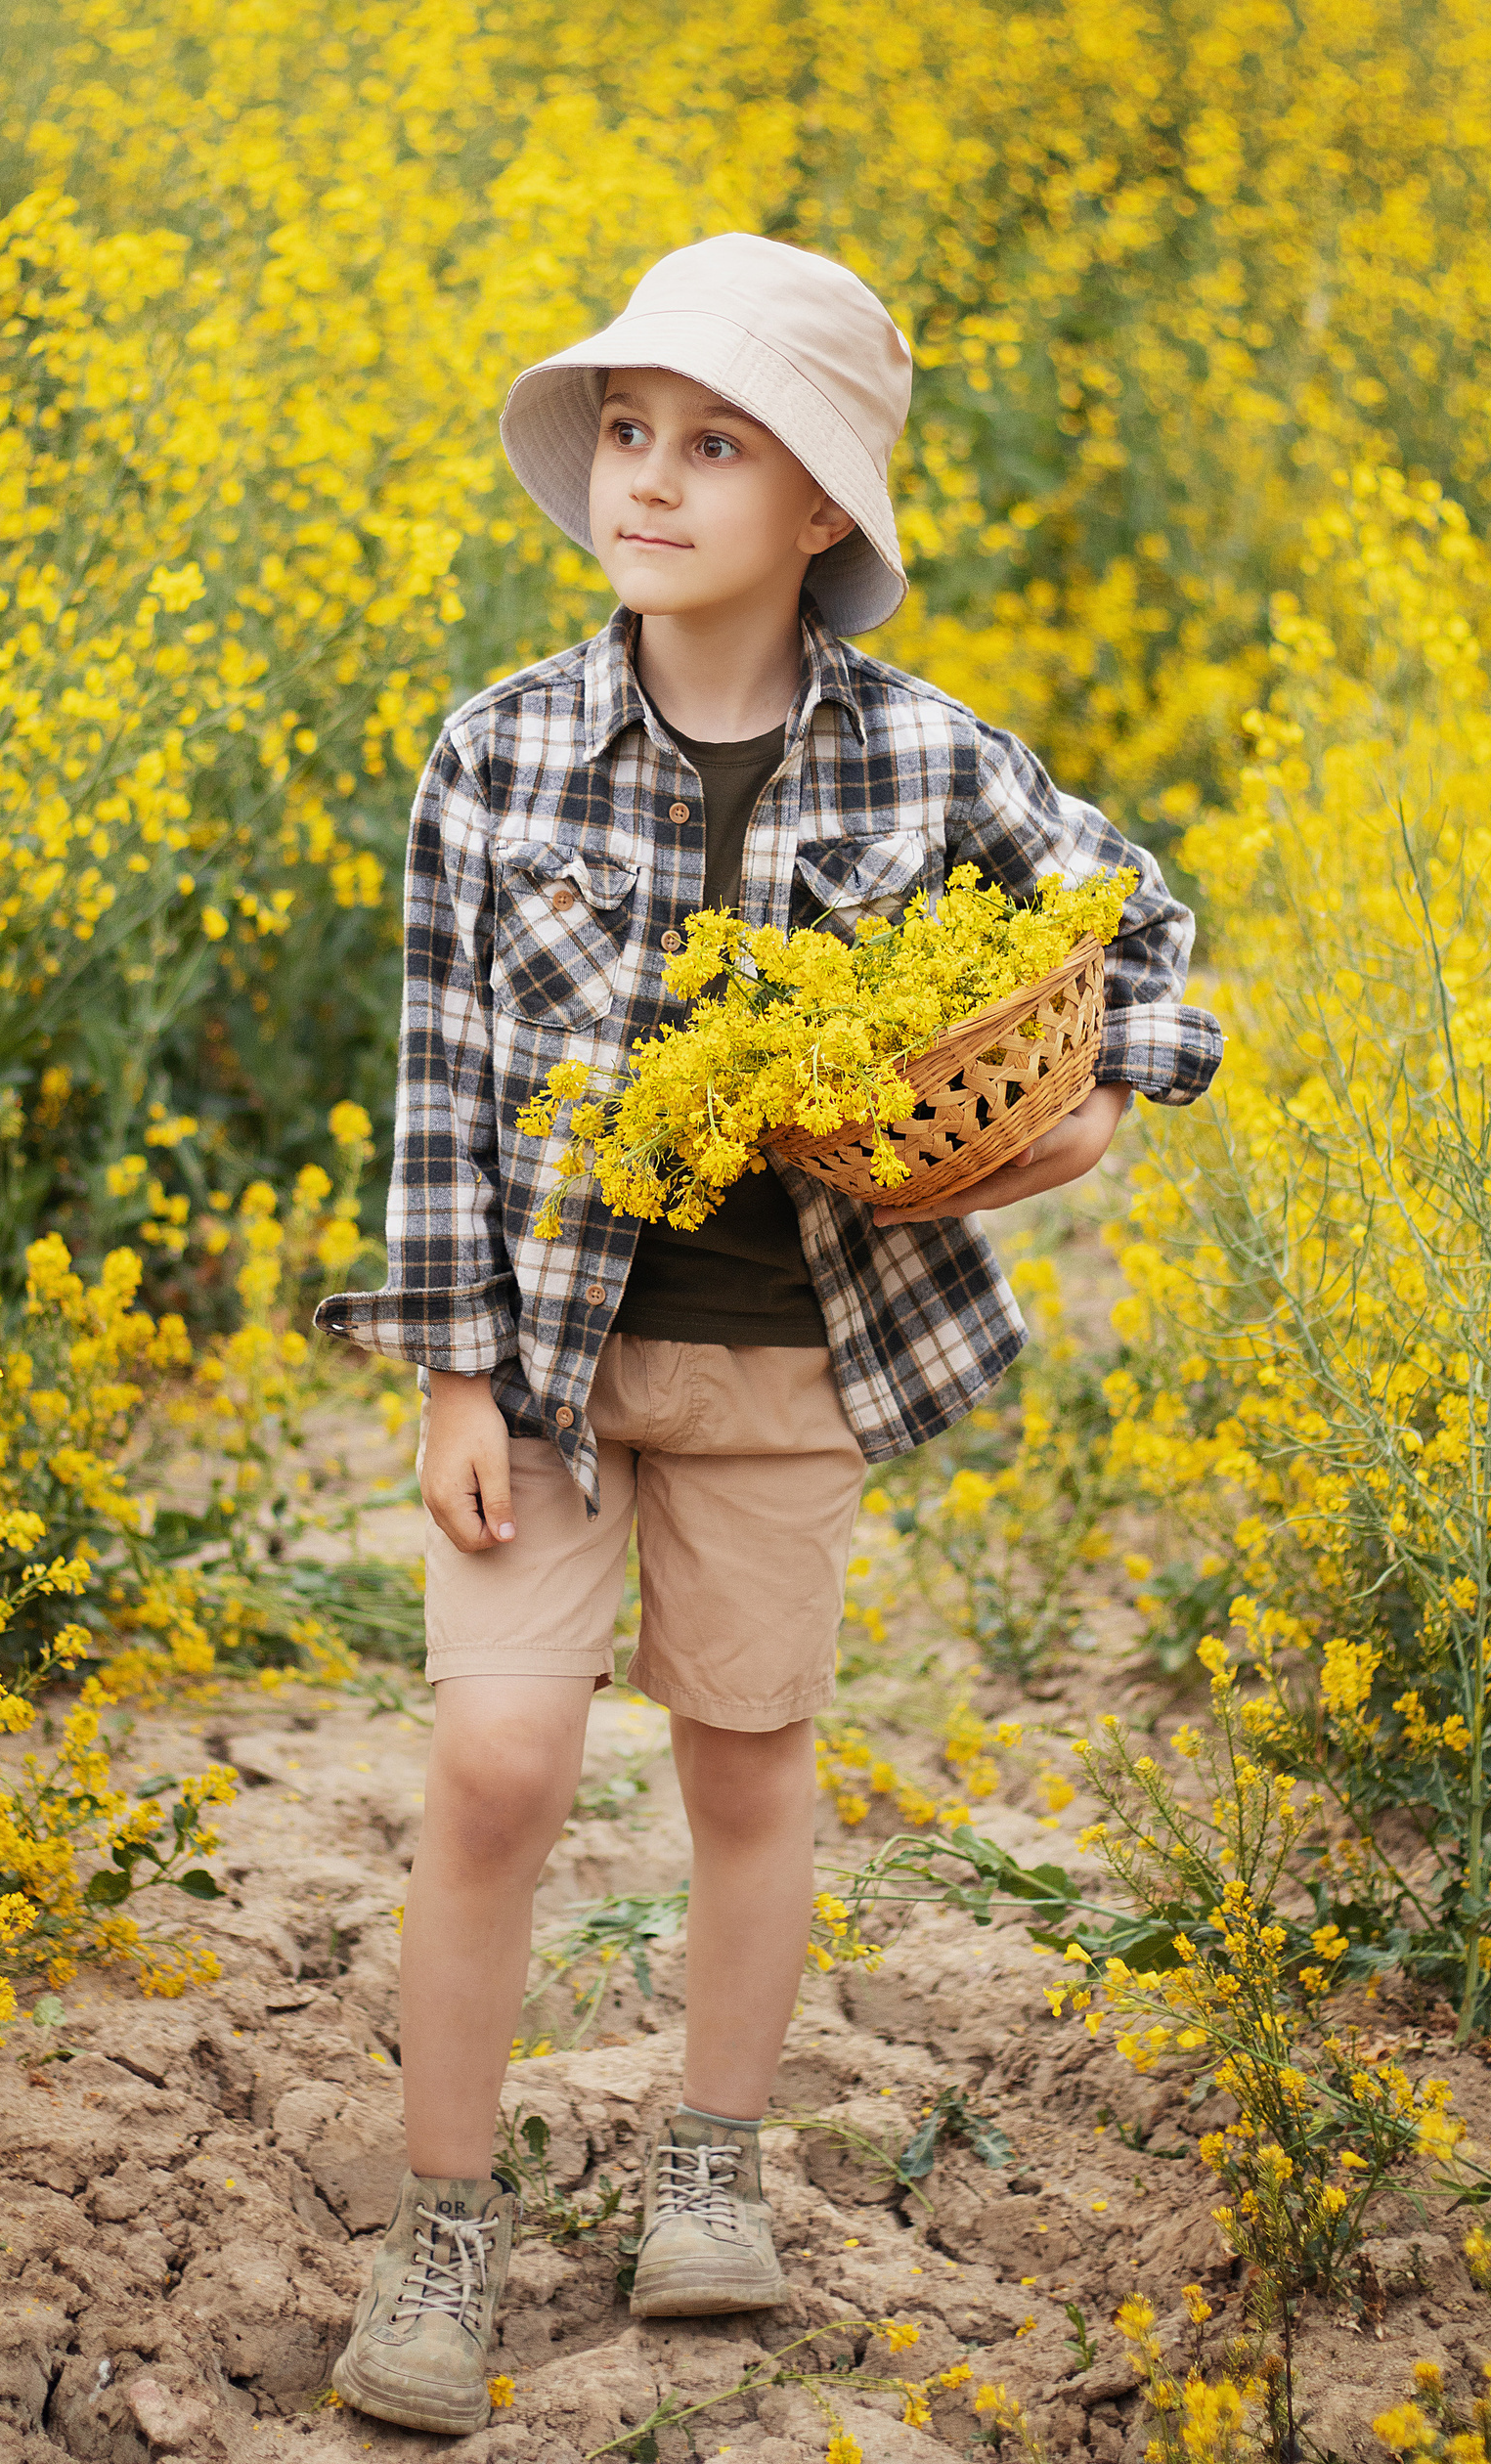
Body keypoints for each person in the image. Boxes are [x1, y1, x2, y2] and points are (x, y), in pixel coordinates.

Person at [314, 235, 1221, 2435]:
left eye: (717, 446)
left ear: (822, 504)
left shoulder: (930, 759)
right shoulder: (496, 751)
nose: (648, 478)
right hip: (541, 1363)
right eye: (629, 431)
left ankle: (709, 2169)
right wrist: (448, 1370)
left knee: (744, 1761)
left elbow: (1150, 941)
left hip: (795, 1363)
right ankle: (444, 2228)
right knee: (497, 1767)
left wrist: (1094, 1108)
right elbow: (440, 1084)